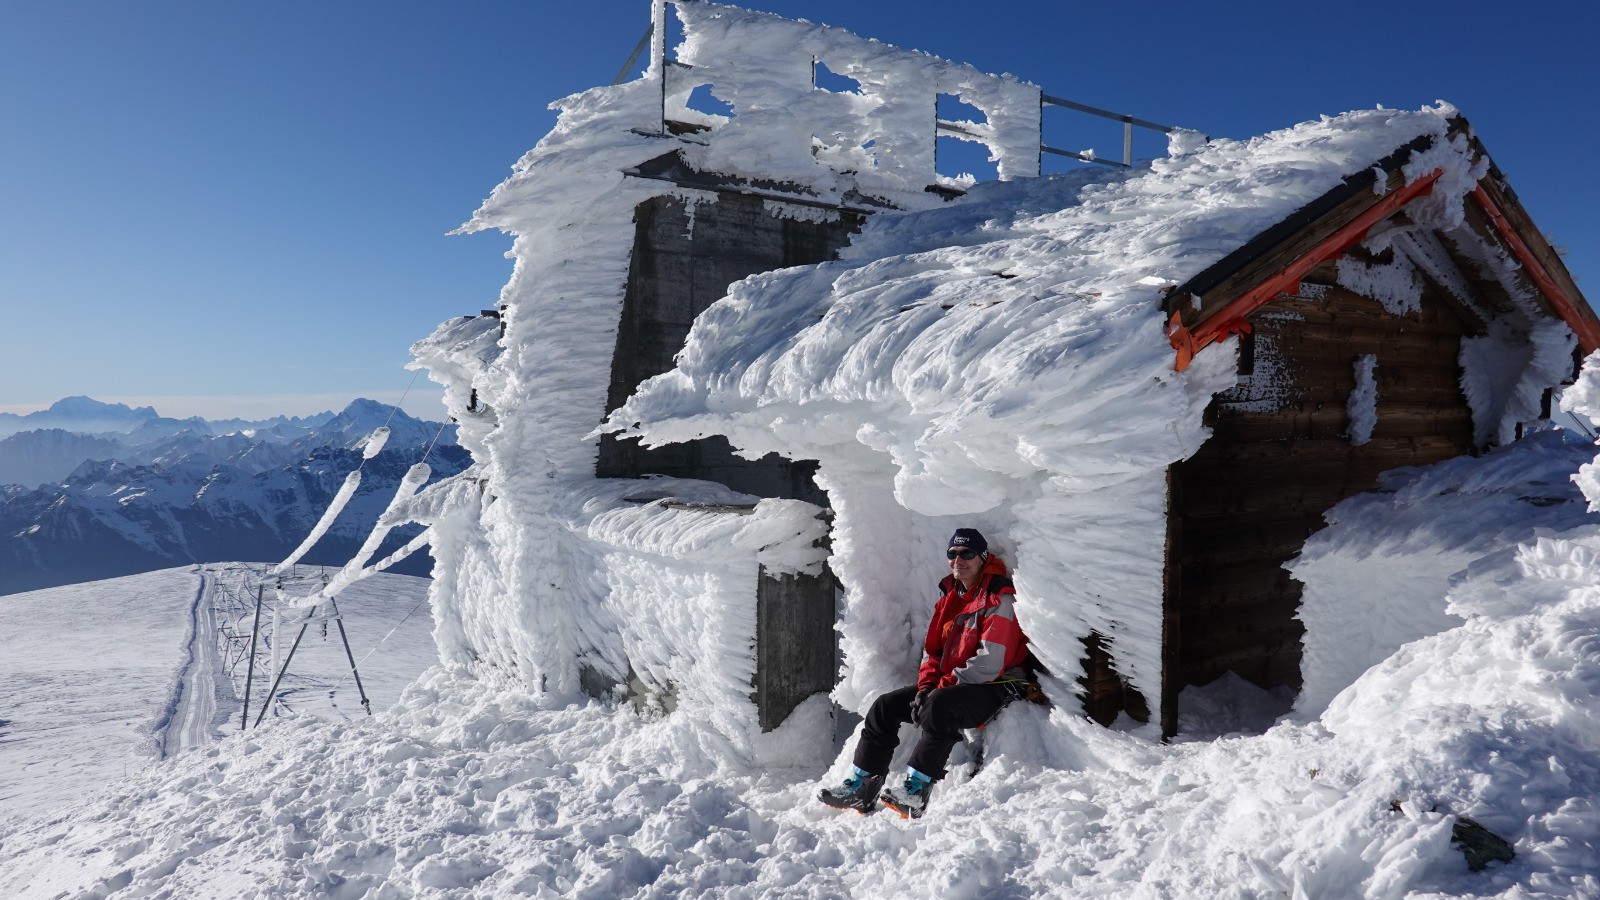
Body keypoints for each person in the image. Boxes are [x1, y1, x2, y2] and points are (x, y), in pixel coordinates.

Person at [819, 527, 1035, 818]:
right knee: (885, 707)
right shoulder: (950, 597)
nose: (959, 560)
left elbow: (990, 664)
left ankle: (916, 791)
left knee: (940, 704)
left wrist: (939, 689)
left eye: (968, 553)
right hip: (954, 684)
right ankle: (862, 787)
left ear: (983, 557)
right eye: (953, 554)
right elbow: (932, 652)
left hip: (997, 685)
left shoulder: (1000, 598)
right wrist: (925, 687)